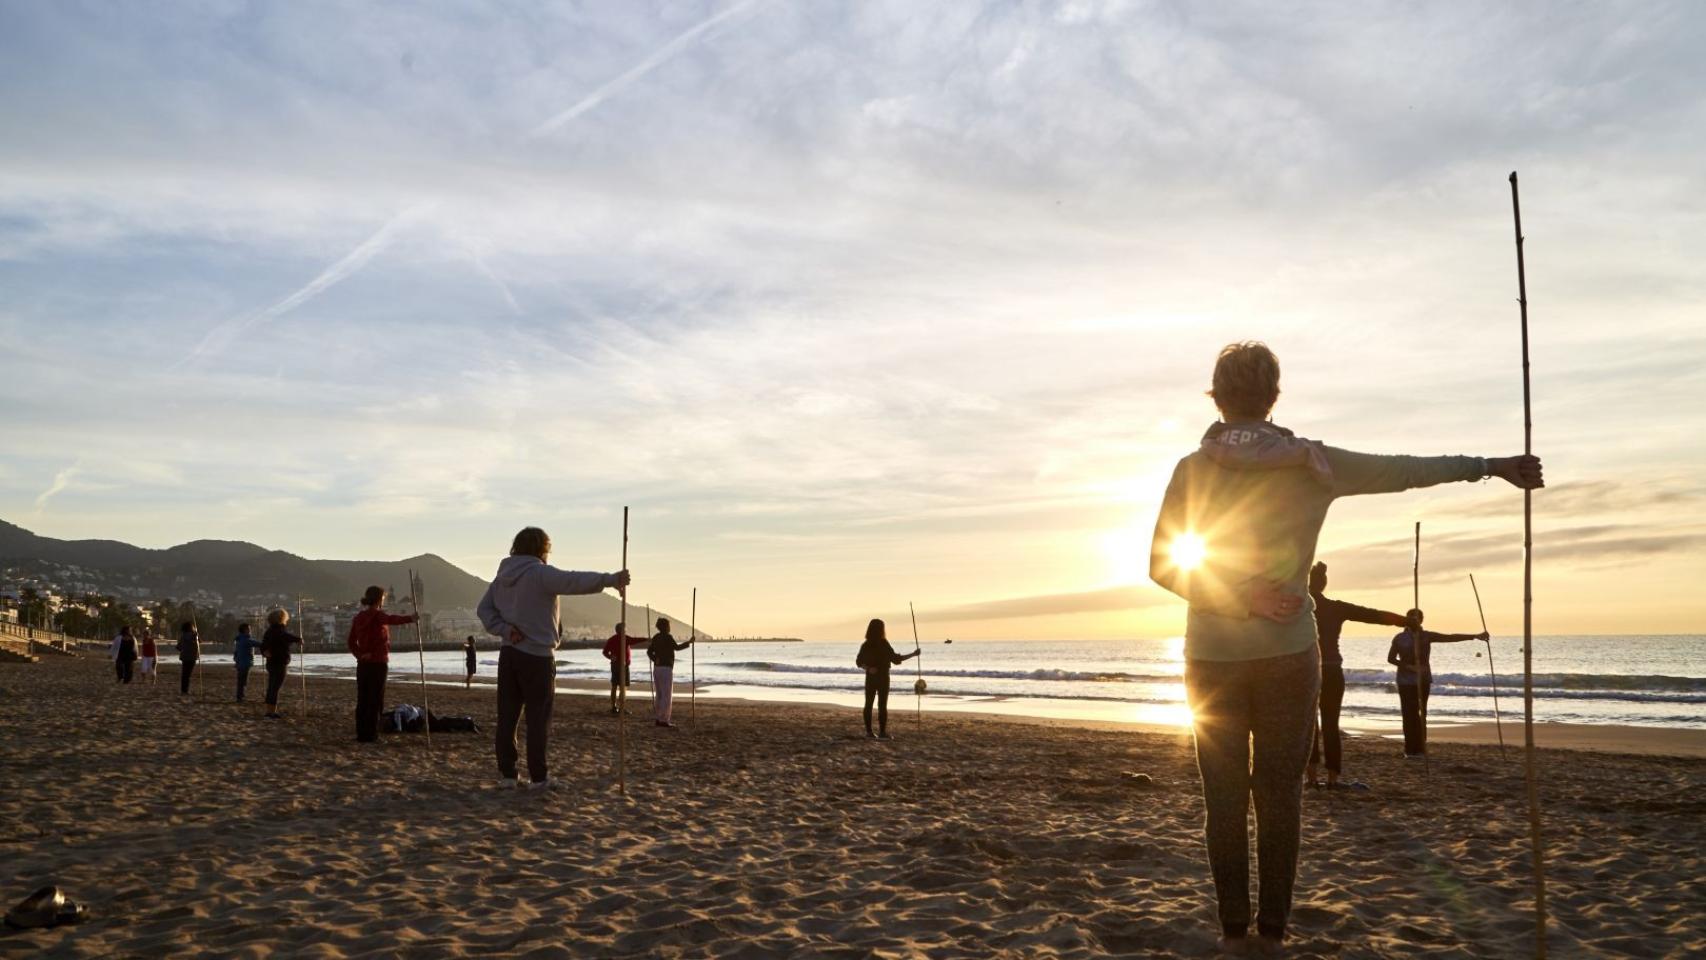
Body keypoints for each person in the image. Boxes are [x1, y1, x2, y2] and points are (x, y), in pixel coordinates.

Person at [1147, 341, 1542, 953]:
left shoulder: (1191, 470)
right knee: (1279, 800)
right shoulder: (1314, 464)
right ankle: (1271, 936)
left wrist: (1236, 599)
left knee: (1223, 801)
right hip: (1287, 653)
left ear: (1217, 397)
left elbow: (1164, 566)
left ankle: (1233, 936)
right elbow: (1406, 469)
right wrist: (1490, 464)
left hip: (1212, 654)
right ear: (1274, 397)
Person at [477, 526, 630, 790]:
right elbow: (573, 581)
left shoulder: (502, 577)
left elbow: (483, 609)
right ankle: (538, 777)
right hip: (537, 656)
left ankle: (508, 775)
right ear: (541, 548)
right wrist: (611, 579)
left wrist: (504, 630)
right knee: (538, 718)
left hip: (509, 655)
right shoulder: (539, 573)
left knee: (508, 717)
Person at [1305, 561, 1407, 790]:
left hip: (1308, 671)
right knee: (1330, 724)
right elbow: (1372, 615)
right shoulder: (1335, 607)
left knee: (1310, 724)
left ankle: (1311, 775)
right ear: (1324, 583)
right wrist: (1405, 621)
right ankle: (1332, 777)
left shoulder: (1300, 607)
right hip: (1331, 670)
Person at [1388, 609, 1486, 758]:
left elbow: (1450, 637)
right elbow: (1391, 658)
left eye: (1416, 618)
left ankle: (1420, 748)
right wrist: (1409, 667)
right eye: (1410, 618)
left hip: (1423, 680)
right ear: (1406, 620)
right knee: (1409, 715)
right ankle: (1409, 749)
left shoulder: (1426, 636)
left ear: (1421, 620)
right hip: (1405, 681)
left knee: (1421, 714)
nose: (1414, 621)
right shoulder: (1399, 638)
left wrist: (1475, 636)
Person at [347, 586, 419, 743]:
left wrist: (360, 654)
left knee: (363, 699)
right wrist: (410, 618)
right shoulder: (378, 616)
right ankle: (371, 735)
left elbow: (351, 642)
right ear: (380, 599)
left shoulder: (359, 617)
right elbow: (392, 619)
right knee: (376, 700)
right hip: (378, 663)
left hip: (363, 664)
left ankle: (361, 734)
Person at [855, 618, 917, 741]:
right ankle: (882, 732)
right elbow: (896, 659)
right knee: (881, 705)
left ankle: (869, 732)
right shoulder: (883, 643)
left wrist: (867, 669)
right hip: (882, 677)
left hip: (871, 678)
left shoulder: (866, 645)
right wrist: (913, 654)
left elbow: (859, 662)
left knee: (869, 704)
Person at [646, 617, 694, 728]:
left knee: (660, 694)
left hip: (657, 668)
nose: (669, 627)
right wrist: (689, 642)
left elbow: (649, 651)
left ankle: (659, 718)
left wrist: (654, 659)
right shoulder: (668, 637)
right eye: (668, 625)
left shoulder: (656, 637)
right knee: (666, 695)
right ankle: (664, 720)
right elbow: (677, 648)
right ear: (665, 627)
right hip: (666, 668)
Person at [259, 609, 302, 720]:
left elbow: (263, 645)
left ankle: (270, 711)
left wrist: (265, 652)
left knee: (272, 686)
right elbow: (286, 637)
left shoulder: (269, 631)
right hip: (279, 662)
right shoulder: (279, 630)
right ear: (282, 618)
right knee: (275, 687)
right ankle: (270, 712)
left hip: (271, 662)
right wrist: (298, 639)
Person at [602, 623, 648, 715]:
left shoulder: (612, 639)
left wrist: (610, 657)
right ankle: (620, 708)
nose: (626, 630)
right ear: (621, 630)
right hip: (622, 666)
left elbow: (604, 652)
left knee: (615, 686)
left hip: (615, 665)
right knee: (623, 687)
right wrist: (646, 639)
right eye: (625, 629)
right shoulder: (624, 638)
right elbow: (635, 640)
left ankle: (614, 707)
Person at [232, 623, 262, 701]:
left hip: (240, 662)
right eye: (248, 629)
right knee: (243, 681)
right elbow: (257, 644)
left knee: (241, 680)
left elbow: (236, 651)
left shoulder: (239, 639)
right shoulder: (245, 640)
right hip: (244, 663)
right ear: (245, 630)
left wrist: (236, 659)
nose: (250, 630)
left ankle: (240, 696)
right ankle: (240, 697)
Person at [176, 621, 201, 697]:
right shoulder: (194, 635)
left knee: (184, 674)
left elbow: (178, 647)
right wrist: (197, 634)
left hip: (185, 657)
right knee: (188, 674)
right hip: (192, 657)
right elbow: (200, 641)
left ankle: (183, 690)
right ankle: (185, 690)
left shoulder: (183, 636)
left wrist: (184, 648)